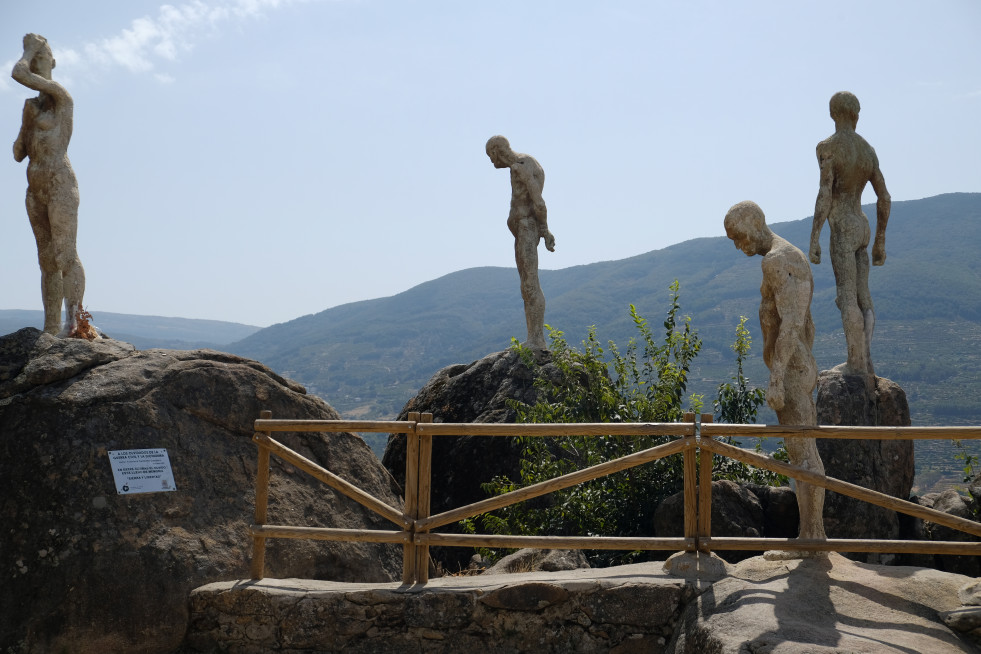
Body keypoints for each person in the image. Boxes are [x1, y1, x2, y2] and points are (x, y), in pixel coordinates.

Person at [725, 200, 827, 545]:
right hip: (798, 365)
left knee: (802, 454)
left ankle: (812, 538)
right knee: (801, 452)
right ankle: (810, 535)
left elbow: (793, 325)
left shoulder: (777, 260)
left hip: (793, 370)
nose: (740, 247)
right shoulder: (786, 256)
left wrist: (776, 378)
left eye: (739, 237)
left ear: (755, 224)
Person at [809, 91, 890, 376]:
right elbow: (884, 198)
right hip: (863, 226)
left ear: (833, 114)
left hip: (843, 226)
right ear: (856, 114)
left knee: (846, 296)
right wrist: (879, 239)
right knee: (863, 296)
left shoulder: (827, 147)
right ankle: (866, 360)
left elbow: (825, 195)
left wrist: (815, 237)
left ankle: (855, 363)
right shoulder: (868, 151)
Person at [12, 33, 87, 336]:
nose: (34, 61)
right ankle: (52, 326)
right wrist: (28, 122)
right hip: (35, 186)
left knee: (65, 254)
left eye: (41, 56)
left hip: (59, 181)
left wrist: (29, 49)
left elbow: (19, 73)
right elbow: (18, 152)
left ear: (52, 62)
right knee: (45, 260)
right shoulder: (32, 107)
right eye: (33, 55)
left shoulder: (61, 97)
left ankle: (77, 323)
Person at [486, 135, 555, 350]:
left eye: (491, 155)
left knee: (530, 283)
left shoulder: (521, 166)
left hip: (527, 227)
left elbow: (538, 201)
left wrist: (544, 229)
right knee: (526, 285)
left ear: (498, 150)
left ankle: (537, 339)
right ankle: (533, 337)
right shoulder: (519, 165)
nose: (491, 161)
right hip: (522, 228)